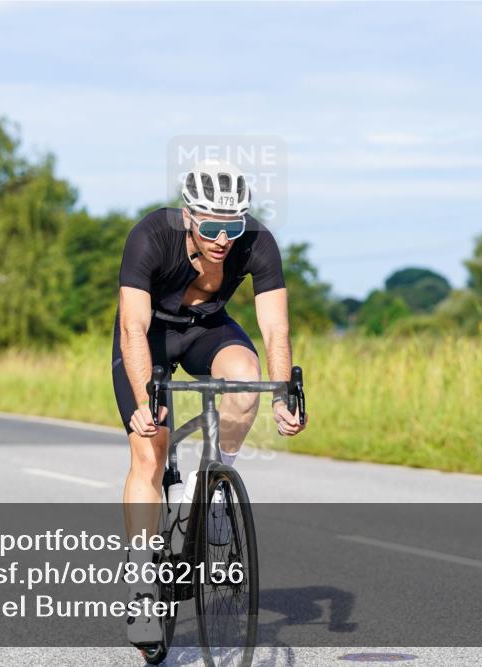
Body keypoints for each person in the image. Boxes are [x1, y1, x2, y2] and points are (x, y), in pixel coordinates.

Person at [113, 161, 307, 645]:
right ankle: (142, 590)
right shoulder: (150, 235)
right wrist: (144, 402)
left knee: (246, 379)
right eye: (212, 226)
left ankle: (209, 482)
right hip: (152, 337)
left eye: (233, 225)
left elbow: (275, 328)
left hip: (208, 330)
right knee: (150, 448)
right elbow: (132, 327)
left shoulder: (257, 242)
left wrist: (284, 393)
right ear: (187, 217)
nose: (223, 238)